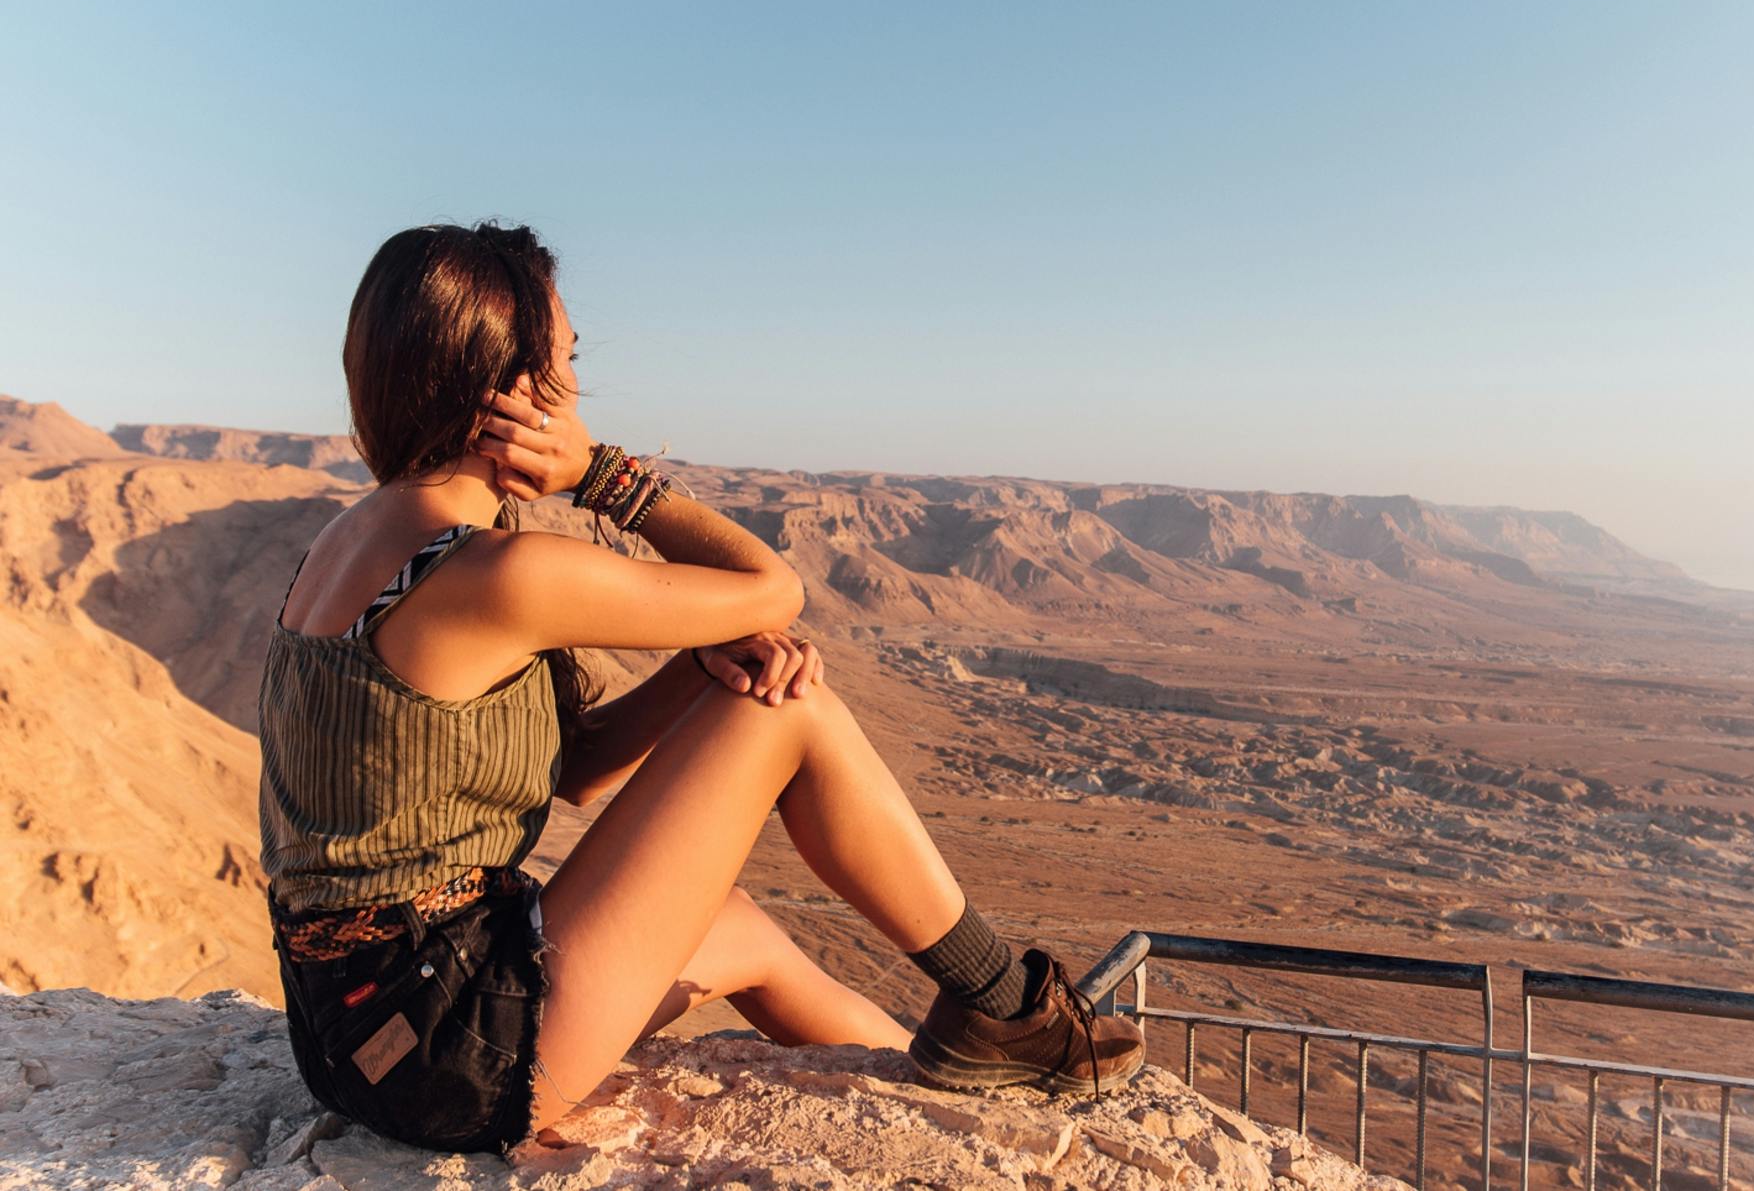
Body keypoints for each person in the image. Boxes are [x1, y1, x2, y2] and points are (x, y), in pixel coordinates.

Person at [257, 221, 1144, 1156]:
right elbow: (776, 587)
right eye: (563, 363)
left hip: (353, 1034)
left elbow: (582, 766)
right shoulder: (490, 573)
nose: (575, 389)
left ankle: (981, 1102)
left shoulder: (353, 544)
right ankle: (1007, 1007)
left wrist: (698, 668)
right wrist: (601, 474)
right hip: (452, 1047)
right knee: (790, 715)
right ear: (512, 395)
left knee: (743, 934)